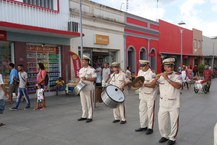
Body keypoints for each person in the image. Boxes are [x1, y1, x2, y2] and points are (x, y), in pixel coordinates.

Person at [148, 58, 182, 145]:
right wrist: (156, 79)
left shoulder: (178, 75)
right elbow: (152, 86)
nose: (170, 68)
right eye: (168, 66)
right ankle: (164, 135)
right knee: (161, 122)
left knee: (174, 122)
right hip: (163, 104)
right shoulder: (161, 76)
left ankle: (172, 138)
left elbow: (178, 86)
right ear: (164, 67)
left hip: (173, 103)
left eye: (171, 66)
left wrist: (167, 79)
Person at [135, 60, 157, 135]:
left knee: (150, 112)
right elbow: (137, 82)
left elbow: (153, 85)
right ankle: (143, 126)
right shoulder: (140, 72)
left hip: (150, 95)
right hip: (142, 94)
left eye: (143, 66)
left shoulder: (152, 74)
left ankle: (150, 128)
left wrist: (143, 84)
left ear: (147, 65)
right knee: (142, 111)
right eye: (141, 66)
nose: (142, 68)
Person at [77, 55, 96, 123]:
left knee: (89, 103)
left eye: (84, 60)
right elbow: (79, 79)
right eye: (82, 60)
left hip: (89, 88)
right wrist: (77, 86)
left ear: (87, 61)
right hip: (82, 88)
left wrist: (86, 78)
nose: (82, 62)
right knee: (83, 103)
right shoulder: (81, 70)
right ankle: (84, 116)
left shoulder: (92, 69)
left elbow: (94, 79)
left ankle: (90, 116)